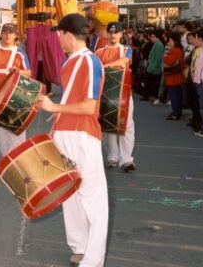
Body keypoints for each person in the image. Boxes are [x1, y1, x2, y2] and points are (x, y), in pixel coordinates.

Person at [36, 14, 107, 267]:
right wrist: (55, 127)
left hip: (84, 135)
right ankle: (79, 247)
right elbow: (70, 100)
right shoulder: (70, 62)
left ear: (67, 34)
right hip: (66, 134)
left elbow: (89, 107)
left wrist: (54, 108)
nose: (57, 38)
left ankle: (93, 260)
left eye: (59, 34)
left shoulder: (90, 61)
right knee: (70, 194)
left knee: (92, 199)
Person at [15, 0, 66, 88]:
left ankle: (60, 83)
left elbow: (60, 5)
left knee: (54, 56)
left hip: (50, 25)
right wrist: (21, 33)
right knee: (32, 57)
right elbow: (20, 9)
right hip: (32, 26)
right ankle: (32, 87)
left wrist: (65, 29)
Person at [0, 23, 31, 156]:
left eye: (11, 32)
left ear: (15, 35)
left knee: (17, 125)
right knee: (1, 127)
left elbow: (29, 73)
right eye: (5, 32)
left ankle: (19, 155)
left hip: (16, 94)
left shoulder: (20, 52)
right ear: (1, 34)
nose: (8, 35)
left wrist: (18, 71)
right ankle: (6, 156)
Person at [95, 22, 135, 172]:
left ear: (120, 34)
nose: (113, 35)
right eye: (110, 32)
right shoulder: (99, 52)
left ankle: (127, 159)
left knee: (127, 125)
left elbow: (125, 61)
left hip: (124, 94)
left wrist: (106, 66)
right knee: (107, 126)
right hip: (105, 94)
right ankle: (112, 155)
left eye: (116, 32)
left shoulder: (126, 49)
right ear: (107, 34)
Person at [162, 32, 185, 120]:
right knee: (177, 95)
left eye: (170, 41)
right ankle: (177, 111)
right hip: (176, 76)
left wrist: (165, 56)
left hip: (174, 76)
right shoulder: (178, 50)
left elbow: (170, 61)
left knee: (174, 95)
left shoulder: (175, 50)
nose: (168, 43)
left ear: (175, 41)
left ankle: (176, 113)